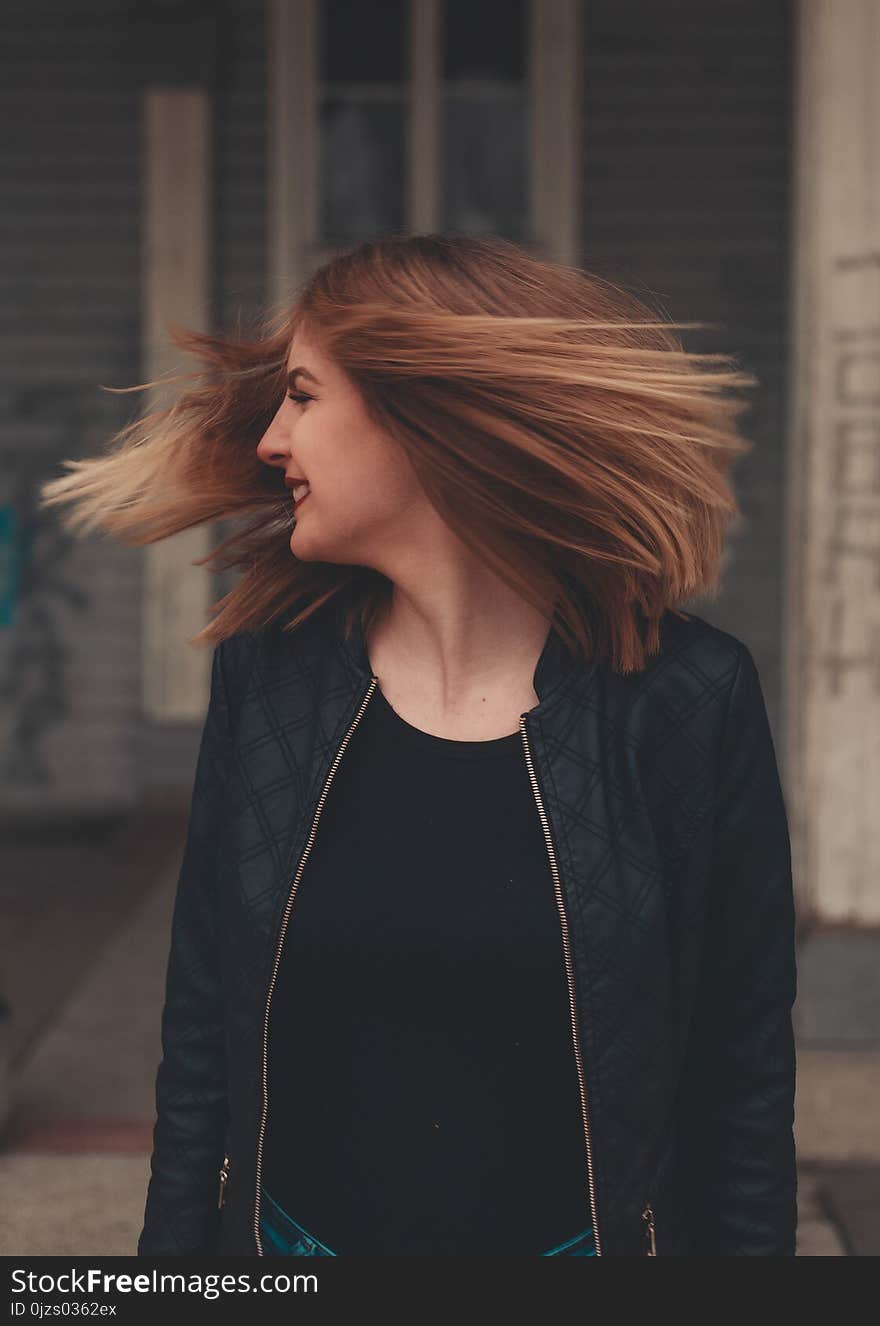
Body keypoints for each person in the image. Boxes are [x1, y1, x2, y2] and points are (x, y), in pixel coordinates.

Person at [39, 233, 797, 1257]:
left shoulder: (685, 701)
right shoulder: (271, 683)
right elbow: (203, 1047)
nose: (272, 440)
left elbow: (738, 1079)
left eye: (303, 396)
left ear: (422, 419)